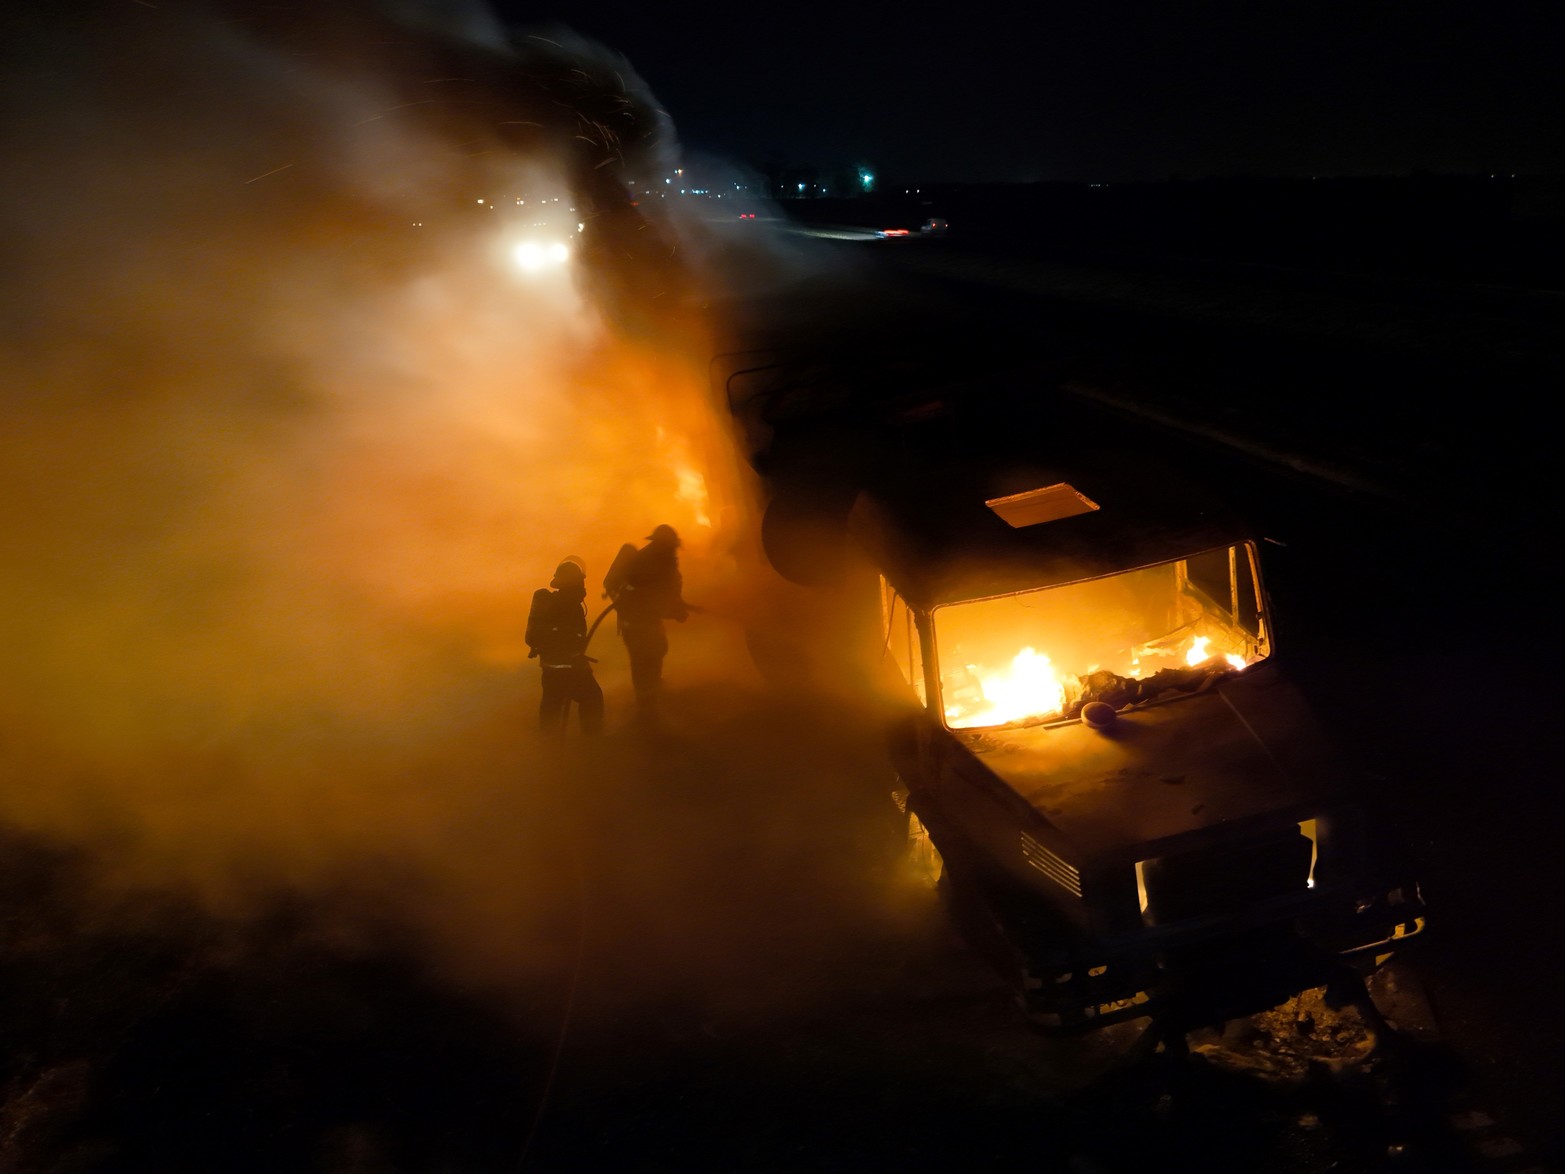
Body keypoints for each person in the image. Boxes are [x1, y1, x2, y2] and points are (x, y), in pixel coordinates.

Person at [603, 524, 694, 721]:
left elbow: (669, 592)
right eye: (670, 545)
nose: (673, 550)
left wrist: (678, 607)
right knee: (643, 659)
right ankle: (646, 705)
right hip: (635, 621)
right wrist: (673, 612)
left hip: (647, 620)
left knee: (658, 649)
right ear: (661, 544)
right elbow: (651, 599)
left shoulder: (664, 561)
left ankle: (651, 692)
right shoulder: (645, 563)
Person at [526, 555, 604, 735]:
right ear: (575, 583)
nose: (583, 587)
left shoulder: (554, 602)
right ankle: (592, 740)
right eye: (581, 582)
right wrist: (575, 657)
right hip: (571, 669)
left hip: (550, 668)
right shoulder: (570, 605)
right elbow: (570, 639)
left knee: (551, 707)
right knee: (593, 698)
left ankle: (548, 745)